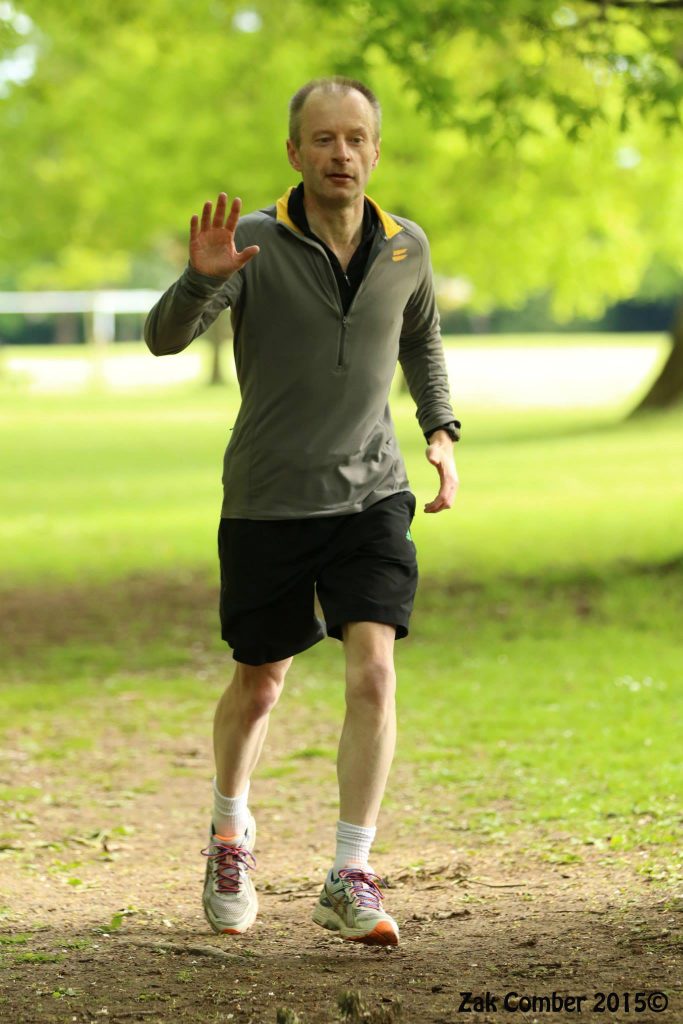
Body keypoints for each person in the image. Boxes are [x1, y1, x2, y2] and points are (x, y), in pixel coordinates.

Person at [144, 76, 460, 947]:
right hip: (269, 499)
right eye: (322, 139)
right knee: (260, 684)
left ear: (375, 149)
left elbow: (421, 338)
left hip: (373, 493)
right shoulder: (250, 241)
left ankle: (350, 871)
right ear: (294, 152)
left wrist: (439, 429)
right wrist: (195, 280)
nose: (340, 154)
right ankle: (228, 832)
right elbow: (164, 339)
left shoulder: (407, 248)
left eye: (355, 138)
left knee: (373, 671)